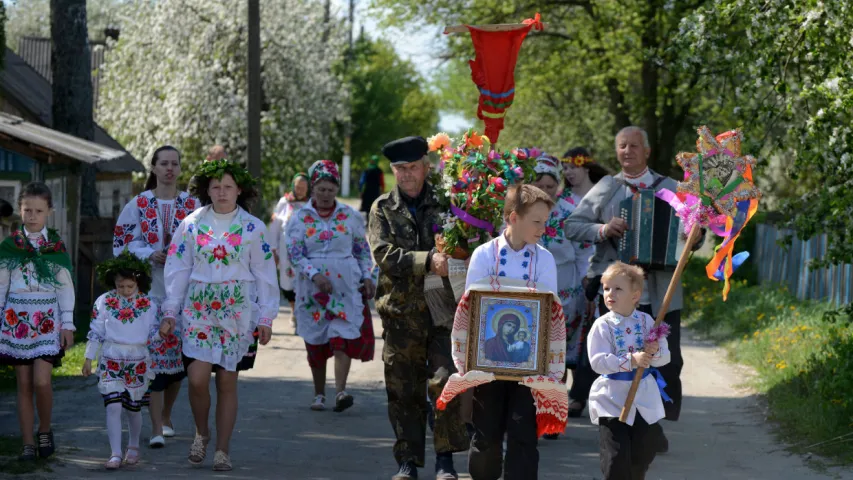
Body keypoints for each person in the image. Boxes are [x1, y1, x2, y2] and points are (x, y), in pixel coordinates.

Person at [565, 126, 705, 453]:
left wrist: (694, 236)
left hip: (661, 291)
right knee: (619, 358)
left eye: (634, 146)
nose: (627, 151)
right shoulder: (606, 187)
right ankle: (619, 427)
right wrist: (602, 228)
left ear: (647, 151)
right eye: (622, 146)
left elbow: (691, 235)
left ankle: (654, 426)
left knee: (667, 362)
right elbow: (572, 225)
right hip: (617, 292)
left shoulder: (673, 189)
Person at [438, 184, 566, 480]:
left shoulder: (544, 259)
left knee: (523, 432)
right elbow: (473, 307)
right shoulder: (485, 255)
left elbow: (548, 310)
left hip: (530, 365)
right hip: (489, 363)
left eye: (545, 222)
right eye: (536, 221)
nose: (542, 229)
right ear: (512, 218)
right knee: (486, 432)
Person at [160, 159, 277, 471]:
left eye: (228, 187)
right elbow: (177, 268)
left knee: (227, 381)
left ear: (239, 190)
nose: (222, 192)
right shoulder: (192, 224)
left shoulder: (254, 228)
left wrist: (266, 317)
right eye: (216, 187)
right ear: (206, 191)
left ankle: (222, 450)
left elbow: (265, 273)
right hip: (198, 310)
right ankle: (202, 432)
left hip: (237, 313)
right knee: (197, 380)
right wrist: (170, 311)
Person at [368, 136, 469, 480]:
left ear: (426, 167)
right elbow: (383, 253)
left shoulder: (447, 203)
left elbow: (467, 240)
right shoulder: (382, 207)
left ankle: (445, 460)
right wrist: (428, 260)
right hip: (401, 313)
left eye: (413, 167)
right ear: (393, 171)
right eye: (400, 169)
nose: (407, 174)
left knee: (444, 383)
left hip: (443, 310)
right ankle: (407, 461)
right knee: (404, 390)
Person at [113, 145, 198, 448]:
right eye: (164, 163)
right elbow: (121, 242)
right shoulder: (139, 204)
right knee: (154, 357)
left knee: (179, 361)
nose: (170, 169)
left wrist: (179, 254)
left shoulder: (193, 205)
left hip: (184, 292)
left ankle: (167, 414)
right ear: (153, 167)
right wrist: (150, 253)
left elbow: (203, 241)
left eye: (175, 163)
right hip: (150, 291)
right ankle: (156, 426)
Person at [285, 160, 376, 412]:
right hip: (312, 289)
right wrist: (314, 275)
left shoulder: (350, 216)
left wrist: (368, 277)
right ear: (312, 188)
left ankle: (340, 391)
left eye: (330, 189)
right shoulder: (300, 218)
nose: (326, 195)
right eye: (321, 189)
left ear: (336, 189)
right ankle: (319, 394)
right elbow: (295, 252)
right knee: (316, 339)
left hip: (344, 286)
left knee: (341, 337)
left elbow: (362, 251)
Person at [0, 182, 75, 461]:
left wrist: (67, 324)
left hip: (45, 320)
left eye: (38, 211)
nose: (32, 216)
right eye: (27, 210)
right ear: (20, 210)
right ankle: (28, 443)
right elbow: (1, 286)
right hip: (16, 320)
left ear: (49, 212)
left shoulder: (55, 246)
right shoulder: (10, 246)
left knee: (42, 381)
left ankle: (45, 429)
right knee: (23, 383)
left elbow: (65, 288)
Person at [587, 262, 670, 480]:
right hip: (611, 399)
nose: (610, 294)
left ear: (635, 296)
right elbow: (597, 362)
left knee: (643, 452)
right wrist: (631, 360)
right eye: (606, 288)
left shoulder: (647, 322)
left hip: (642, 396)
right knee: (616, 457)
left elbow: (664, 357)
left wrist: (654, 352)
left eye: (617, 289)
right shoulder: (602, 326)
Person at [83, 251, 159, 469]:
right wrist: (89, 357)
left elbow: (154, 332)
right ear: (113, 283)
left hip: (137, 360)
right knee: (113, 406)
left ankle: (133, 445)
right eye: (120, 286)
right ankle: (115, 453)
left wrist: (160, 336)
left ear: (138, 283)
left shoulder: (148, 304)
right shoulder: (104, 302)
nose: (125, 291)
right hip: (111, 358)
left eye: (130, 286)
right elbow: (96, 331)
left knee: (133, 408)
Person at [558, 147, 609, 419]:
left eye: (572, 166)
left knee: (591, 337)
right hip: (567, 277)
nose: (568, 172)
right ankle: (562, 397)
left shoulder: (604, 194)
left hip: (599, 273)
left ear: (586, 166)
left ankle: (581, 394)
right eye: (564, 168)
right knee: (564, 338)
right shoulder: (561, 201)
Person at [271, 172, 310, 329]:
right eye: (297, 186)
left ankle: (303, 314)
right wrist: (273, 249)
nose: (300, 190)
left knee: (305, 282)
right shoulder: (284, 202)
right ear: (293, 186)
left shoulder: (312, 203)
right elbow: (274, 227)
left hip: (307, 252)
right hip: (286, 252)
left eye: (303, 187)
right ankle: (294, 311)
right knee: (287, 283)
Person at [359, 155, 385, 225]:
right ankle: (373, 221)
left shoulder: (367, 170)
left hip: (367, 191)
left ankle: (368, 221)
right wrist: (382, 190)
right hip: (375, 191)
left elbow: (361, 181)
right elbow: (382, 182)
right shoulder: (379, 171)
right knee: (375, 205)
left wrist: (360, 190)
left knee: (367, 207)